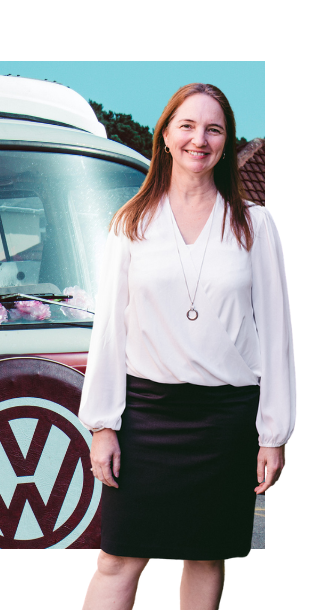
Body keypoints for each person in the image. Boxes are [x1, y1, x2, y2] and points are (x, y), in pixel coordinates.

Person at [78, 83, 294, 610]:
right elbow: (108, 330)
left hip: (226, 419)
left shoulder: (255, 226)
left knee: (206, 555)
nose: (201, 139)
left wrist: (273, 434)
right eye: (188, 126)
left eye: (214, 129)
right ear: (167, 138)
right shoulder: (130, 223)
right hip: (147, 413)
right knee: (117, 560)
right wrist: (103, 424)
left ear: (225, 142)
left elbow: (277, 335)